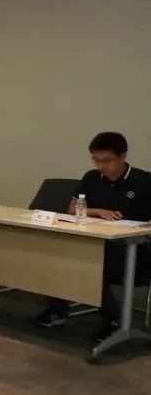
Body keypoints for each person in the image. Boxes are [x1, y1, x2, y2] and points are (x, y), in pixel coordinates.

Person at [36, 132, 151, 339]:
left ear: (122, 156)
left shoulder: (143, 181)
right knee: (58, 254)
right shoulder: (92, 178)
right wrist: (97, 211)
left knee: (93, 262)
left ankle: (114, 322)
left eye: (107, 160)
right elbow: (72, 208)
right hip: (94, 240)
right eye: (96, 160)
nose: (101, 166)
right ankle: (57, 310)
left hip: (132, 248)